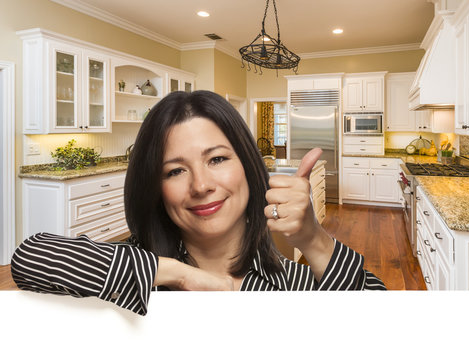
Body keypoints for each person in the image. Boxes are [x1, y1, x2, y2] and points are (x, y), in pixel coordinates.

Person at [11, 90, 386, 316]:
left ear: (247, 167)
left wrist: (313, 239)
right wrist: (187, 276)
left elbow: (387, 328)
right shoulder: (136, 277)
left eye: (217, 159)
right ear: (155, 188)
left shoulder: (293, 284)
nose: (201, 185)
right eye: (174, 171)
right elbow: (32, 258)